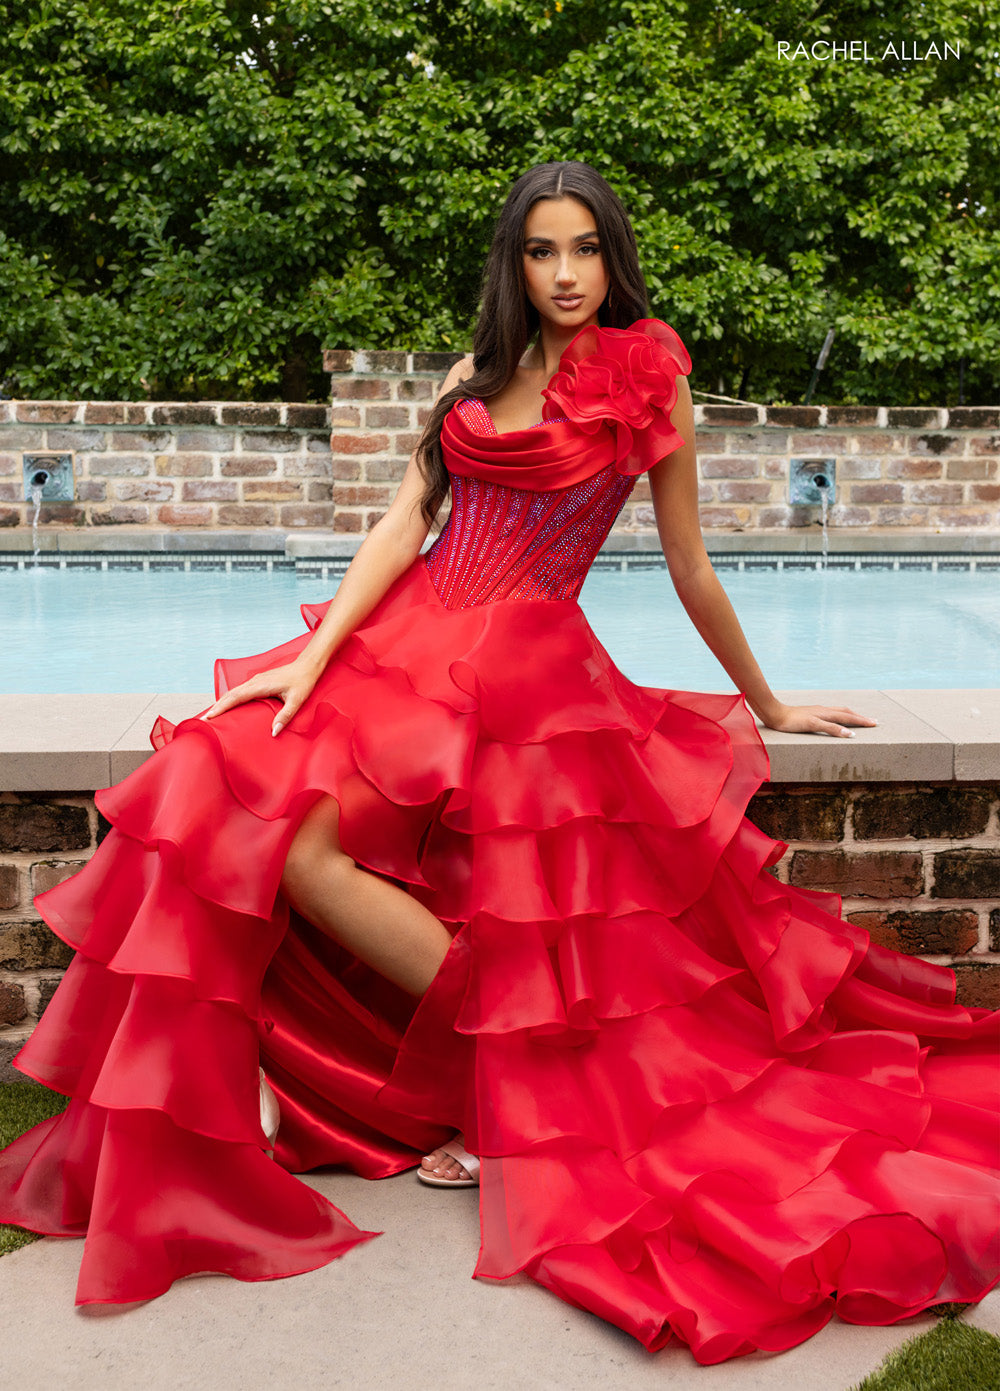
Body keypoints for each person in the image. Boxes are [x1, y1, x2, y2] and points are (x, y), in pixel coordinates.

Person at [0, 162, 996, 1365]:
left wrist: (770, 699)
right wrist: (310, 662)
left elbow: (689, 563)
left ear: (611, 256)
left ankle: (499, 1094)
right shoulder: (476, 375)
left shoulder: (649, 380)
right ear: (512, 263)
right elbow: (402, 520)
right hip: (407, 640)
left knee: (349, 856)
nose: (566, 273)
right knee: (227, 784)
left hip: (529, 674)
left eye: (583, 249)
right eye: (541, 251)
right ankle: (244, 1086)